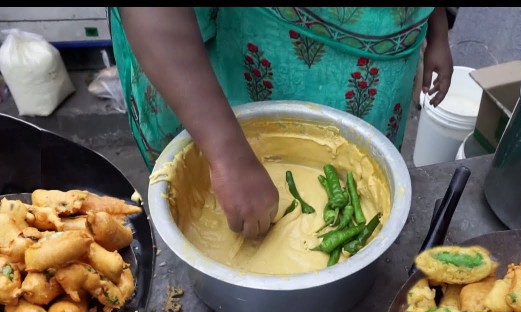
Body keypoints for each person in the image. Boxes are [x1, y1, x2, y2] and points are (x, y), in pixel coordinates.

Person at [108, 7, 453, 239]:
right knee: (219, 203)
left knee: (366, 188)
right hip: (247, 64)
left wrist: (437, 28)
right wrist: (228, 156)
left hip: (382, 69)